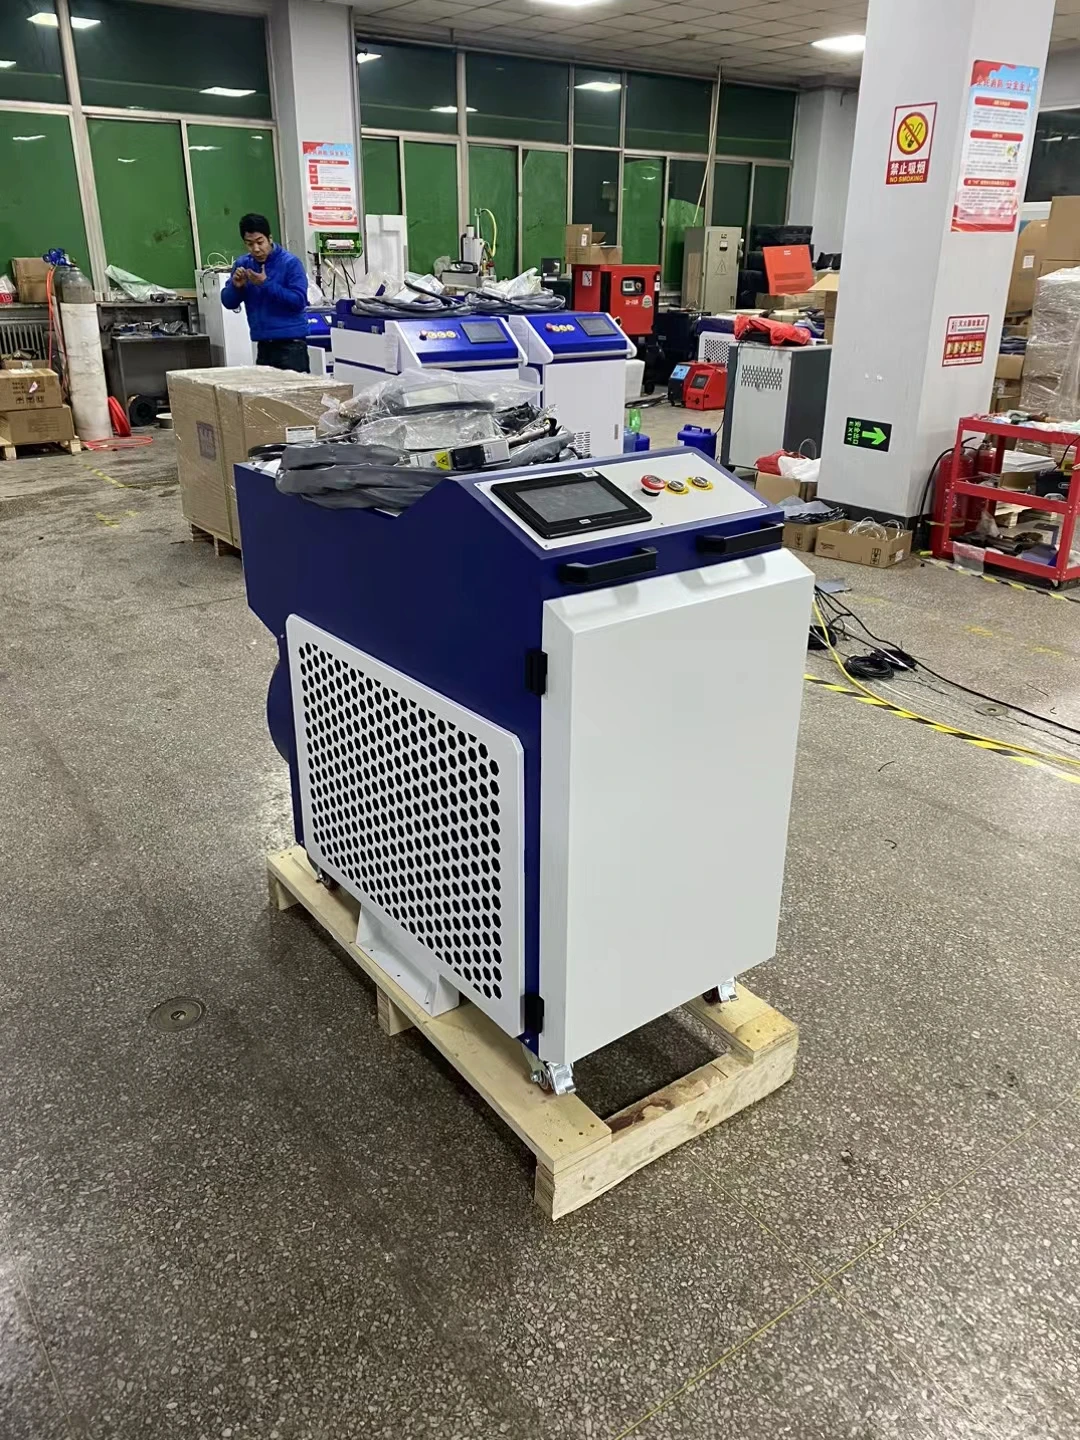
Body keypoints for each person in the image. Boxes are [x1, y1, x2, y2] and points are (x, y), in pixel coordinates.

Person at [221, 213, 310, 372]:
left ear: (269, 238)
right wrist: (236, 286)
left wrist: (265, 284)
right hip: (263, 346)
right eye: (249, 244)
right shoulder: (243, 264)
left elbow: (298, 301)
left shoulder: (290, 263)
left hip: (291, 346)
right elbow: (228, 302)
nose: (256, 249)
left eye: (260, 242)